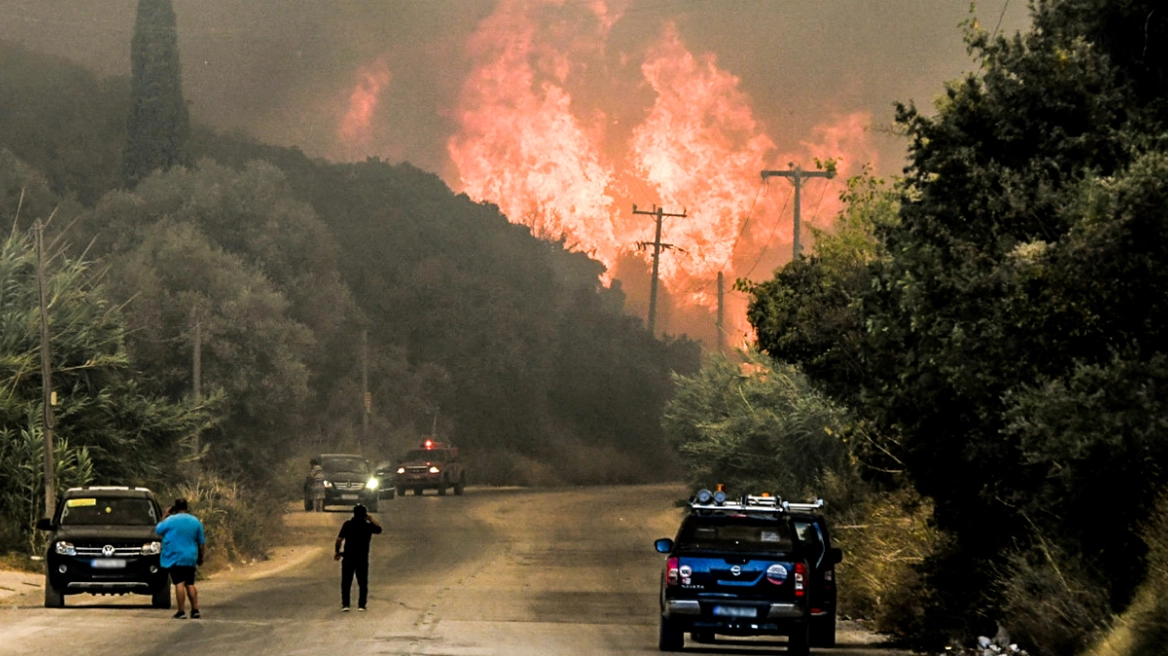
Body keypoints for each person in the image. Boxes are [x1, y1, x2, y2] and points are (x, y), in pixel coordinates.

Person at [156, 498, 206, 619]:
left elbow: (158, 530)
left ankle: (181, 611)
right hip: (190, 557)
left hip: (175, 556)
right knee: (190, 583)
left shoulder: (170, 520)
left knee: (179, 583)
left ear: (175, 507)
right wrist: (200, 557)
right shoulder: (195, 521)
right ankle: (195, 610)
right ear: (187, 507)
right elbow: (201, 543)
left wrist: (164, 515)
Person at [334, 504, 382, 611]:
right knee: (363, 583)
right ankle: (361, 605)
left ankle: (346, 604)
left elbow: (339, 540)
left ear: (353, 513)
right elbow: (379, 529)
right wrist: (371, 519)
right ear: (365, 515)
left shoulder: (347, 524)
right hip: (362, 558)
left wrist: (337, 552)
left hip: (348, 557)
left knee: (346, 582)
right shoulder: (368, 526)